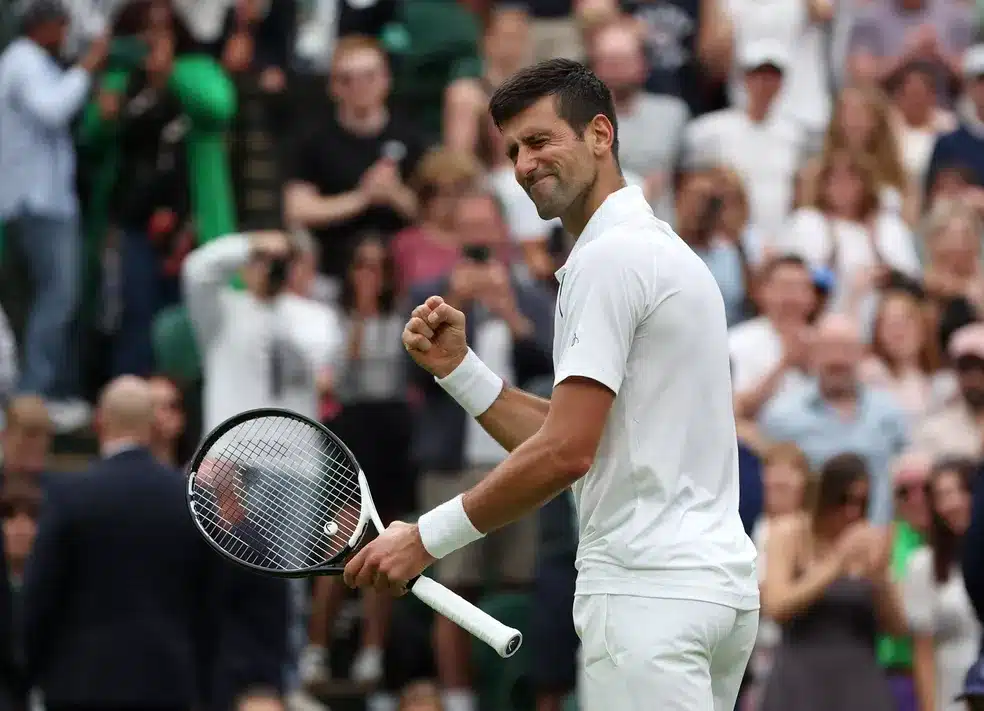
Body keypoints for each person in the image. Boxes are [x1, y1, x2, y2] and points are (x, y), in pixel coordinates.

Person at [343, 58, 759, 711]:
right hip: (713, 592)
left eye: (539, 141)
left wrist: (425, 537)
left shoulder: (606, 260)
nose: (523, 163)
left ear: (600, 134)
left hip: (645, 595)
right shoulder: (663, 250)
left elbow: (567, 452)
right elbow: (579, 437)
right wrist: (463, 372)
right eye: (511, 150)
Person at [21, 376, 220, 711]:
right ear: (153, 425)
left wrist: (26, 677)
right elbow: (211, 605)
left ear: (100, 421)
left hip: (81, 684)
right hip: (168, 683)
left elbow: (39, 598)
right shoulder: (191, 501)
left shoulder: (69, 496)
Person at [759, 453, 906, 711]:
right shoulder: (790, 532)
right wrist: (837, 562)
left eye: (861, 502)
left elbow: (897, 628)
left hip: (859, 681)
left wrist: (880, 578)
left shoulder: (869, 540)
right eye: (843, 500)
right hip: (799, 680)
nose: (851, 511)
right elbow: (776, 605)